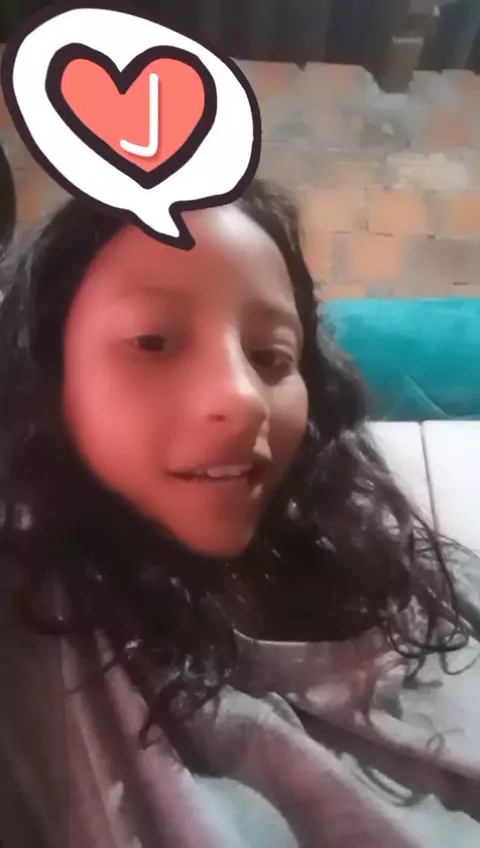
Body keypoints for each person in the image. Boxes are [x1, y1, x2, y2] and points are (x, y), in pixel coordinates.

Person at [0, 178, 479, 848]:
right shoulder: (28, 621)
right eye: (153, 341)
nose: (244, 397)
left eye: (271, 357)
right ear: (49, 381)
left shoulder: (419, 573)